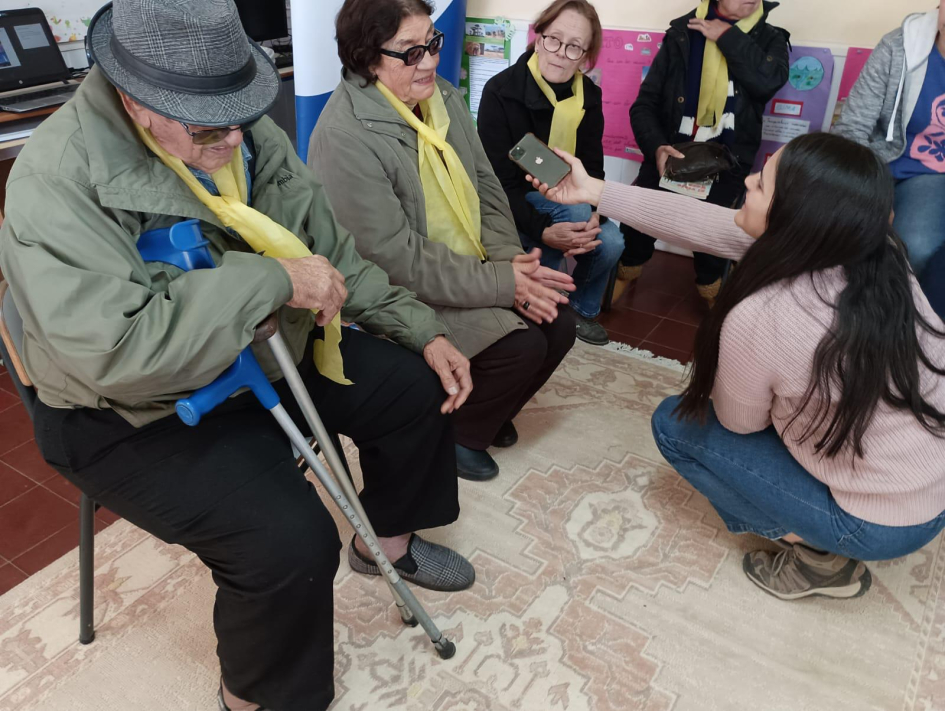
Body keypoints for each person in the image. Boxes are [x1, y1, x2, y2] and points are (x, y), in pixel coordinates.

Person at [0, 1, 478, 709]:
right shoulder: (55, 178)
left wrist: (421, 326)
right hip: (125, 406)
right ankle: (255, 699)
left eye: (242, 112)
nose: (232, 138)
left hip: (260, 343)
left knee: (409, 386)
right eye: (207, 126)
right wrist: (271, 280)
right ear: (137, 102)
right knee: (286, 542)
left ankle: (388, 543)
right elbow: (117, 351)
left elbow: (329, 249)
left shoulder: (239, 124)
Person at [526, 134, 945, 601]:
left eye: (762, 185)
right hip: (930, 486)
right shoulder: (873, 250)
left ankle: (819, 557)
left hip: (877, 523)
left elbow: (739, 423)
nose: (747, 181)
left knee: (675, 426)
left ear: (795, 218)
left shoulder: (768, 313)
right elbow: (708, 224)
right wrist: (596, 191)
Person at [309, 0, 578, 482]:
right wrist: (503, 284)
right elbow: (393, 258)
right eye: (410, 53)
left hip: (463, 265)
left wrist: (511, 262)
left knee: (557, 319)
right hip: (399, 288)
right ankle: (459, 435)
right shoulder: (344, 136)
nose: (430, 61)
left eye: (433, 43)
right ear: (367, 59)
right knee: (519, 347)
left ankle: (487, 412)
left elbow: (486, 188)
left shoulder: (444, 98)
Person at [619, 0, 789, 306]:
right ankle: (619, 280)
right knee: (638, 225)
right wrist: (656, 146)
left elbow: (767, 83)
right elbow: (645, 104)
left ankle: (714, 294)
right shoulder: (682, 32)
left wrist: (727, 36)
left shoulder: (771, 36)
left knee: (715, 241)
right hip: (672, 150)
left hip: (728, 163)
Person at [477, 0, 622, 346]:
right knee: (571, 215)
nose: (560, 53)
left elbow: (593, 164)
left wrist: (595, 211)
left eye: (574, 47)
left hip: (571, 196)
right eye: (553, 39)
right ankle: (548, 311)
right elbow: (495, 184)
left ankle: (579, 311)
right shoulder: (501, 91)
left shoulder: (590, 96)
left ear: (586, 56)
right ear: (538, 37)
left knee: (613, 242)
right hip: (513, 200)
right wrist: (544, 230)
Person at [834, 6, 945, 283]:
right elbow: (851, 127)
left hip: (931, 173)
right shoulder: (898, 46)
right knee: (831, 233)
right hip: (876, 161)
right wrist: (869, 192)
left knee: (913, 247)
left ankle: (895, 318)